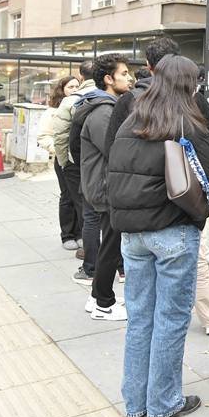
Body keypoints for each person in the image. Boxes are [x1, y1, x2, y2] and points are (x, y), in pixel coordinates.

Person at [107, 54, 209, 417]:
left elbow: (115, 173)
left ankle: (135, 402)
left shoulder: (132, 118)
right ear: (189, 85)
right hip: (173, 231)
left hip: (133, 236)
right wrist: (199, 215)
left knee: (140, 319)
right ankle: (163, 402)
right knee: (171, 320)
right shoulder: (189, 123)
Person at [75, 54, 134, 321]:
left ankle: (97, 296)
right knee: (111, 245)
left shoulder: (106, 106)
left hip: (103, 184)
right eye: (124, 74)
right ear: (109, 79)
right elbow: (115, 150)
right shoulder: (103, 112)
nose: (129, 78)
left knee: (111, 243)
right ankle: (103, 303)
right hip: (105, 187)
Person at [53, 60, 96, 270]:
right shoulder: (108, 96)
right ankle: (71, 235)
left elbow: (59, 136)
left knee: (83, 203)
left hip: (75, 161)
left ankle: (86, 243)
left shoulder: (74, 102)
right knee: (74, 199)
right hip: (84, 162)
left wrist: (64, 161)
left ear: (81, 77)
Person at [38, 76, 82, 251]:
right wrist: (58, 149)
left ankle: (80, 233)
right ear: (62, 89)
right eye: (70, 86)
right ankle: (67, 234)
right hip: (63, 159)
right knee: (68, 196)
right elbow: (43, 136)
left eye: (77, 86)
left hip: (79, 159)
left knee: (81, 197)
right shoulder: (52, 111)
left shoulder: (82, 106)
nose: (74, 89)